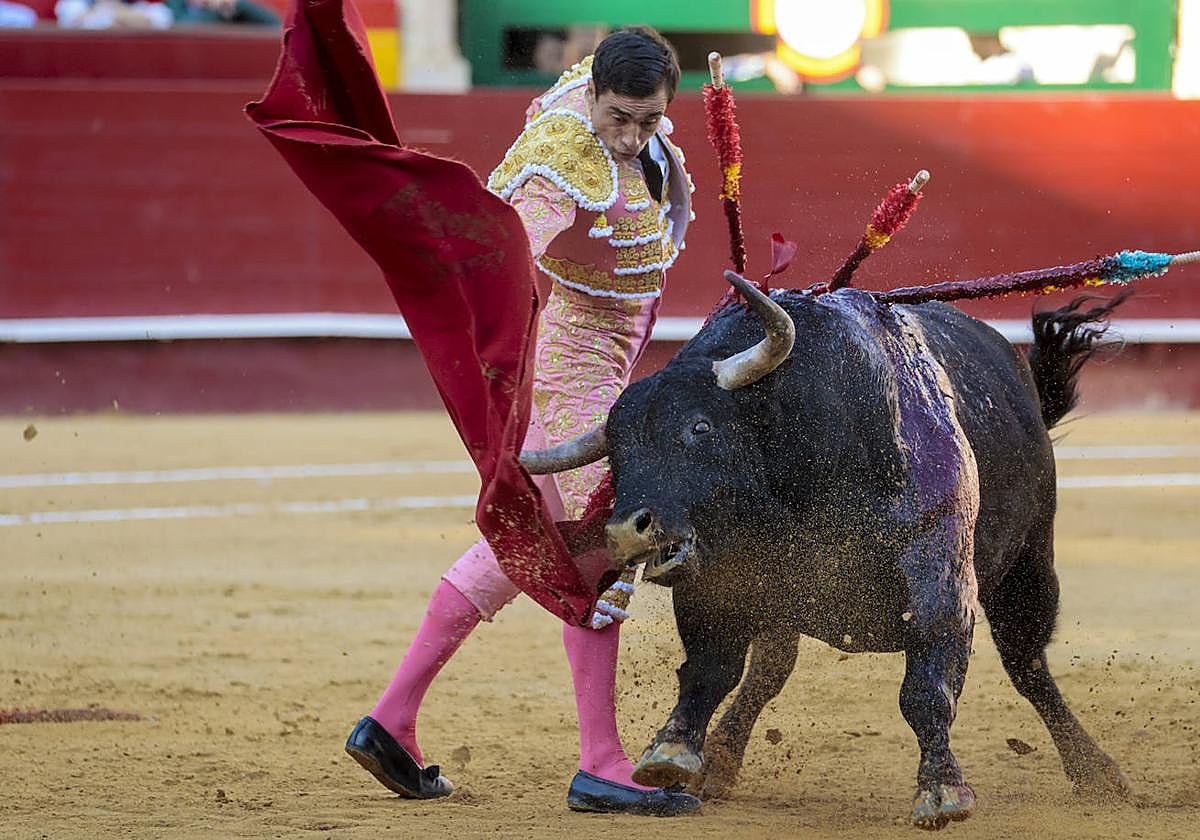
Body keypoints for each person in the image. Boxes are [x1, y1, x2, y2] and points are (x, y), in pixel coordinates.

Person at [342, 26, 700, 816]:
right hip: (576, 364)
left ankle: (390, 721)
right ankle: (601, 762)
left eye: (648, 120)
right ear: (595, 96)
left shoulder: (619, 106)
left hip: (608, 362)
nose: (633, 136)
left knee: (519, 552)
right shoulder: (565, 154)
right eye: (619, 118)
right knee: (597, 551)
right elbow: (493, 262)